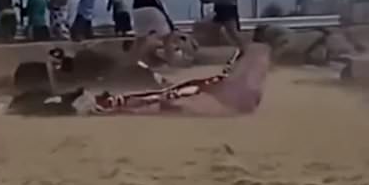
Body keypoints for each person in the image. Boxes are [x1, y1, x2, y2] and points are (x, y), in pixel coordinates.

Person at [88, 26, 281, 116]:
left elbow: (232, 72)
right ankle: (120, 105)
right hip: (238, 101)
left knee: (166, 96)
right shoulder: (265, 55)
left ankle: (115, 104)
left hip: (219, 89)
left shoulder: (250, 50)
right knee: (170, 98)